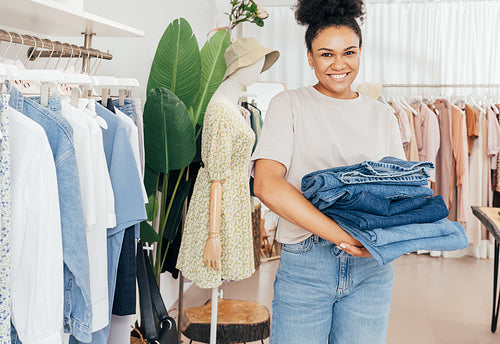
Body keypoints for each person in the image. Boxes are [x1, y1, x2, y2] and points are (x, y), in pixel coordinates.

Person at [251, 0, 406, 343]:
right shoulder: (289, 105)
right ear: (309, 57)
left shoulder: (383, 116)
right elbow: (266, 184)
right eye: (326, 54)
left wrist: (386, 239)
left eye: (349, 52)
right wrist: (344, 235)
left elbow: (400, 193)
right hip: (307, 264)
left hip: (371, 269)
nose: (339, 64)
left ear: (361, 52)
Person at [176, 37, 279, 289]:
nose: (260, 68)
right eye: (256, 63)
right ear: (240, 66)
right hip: (220, 204)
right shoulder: (221, 110)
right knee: (213, 271)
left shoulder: (231, 105)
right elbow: (216, 177)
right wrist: (213, 236)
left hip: (232, 198)